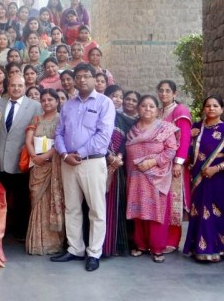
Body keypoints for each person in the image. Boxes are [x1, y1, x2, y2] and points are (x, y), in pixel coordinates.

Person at [52, 64, 115, 272]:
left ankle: (94, 252)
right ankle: (75, 248)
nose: (81, 80)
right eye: (77, 77)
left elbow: (103, 136)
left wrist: (78, 153)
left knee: (96, 209)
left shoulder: (105, 103)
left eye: (85, 76)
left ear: (94, 78)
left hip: (92, 162)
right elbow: (58, 133)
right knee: (72, 208)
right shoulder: (68, 105)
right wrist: (64, 154)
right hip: (68, 162)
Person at [183, 95, 224, 263]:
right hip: (198, 176)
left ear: (222, 109)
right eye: (208, 105)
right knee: (197, 211)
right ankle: (198, 248)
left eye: (215, 105)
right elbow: (185, 150)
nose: (211, 108)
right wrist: (189, 136)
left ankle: (217, 249)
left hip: (217, 177)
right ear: (203, 109)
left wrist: (217, 168)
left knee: (218, 211)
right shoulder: (196, 127)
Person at [126, 95, 179, 263]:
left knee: (157, 213)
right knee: (138, 211)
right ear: (138, 109)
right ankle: (141, 245)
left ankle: (157, 248)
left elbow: (171, 150)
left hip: (157, 178)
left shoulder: (166, 128)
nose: (147, 109)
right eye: (143, 106)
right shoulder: (132, 130)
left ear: (157, 110)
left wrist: (151, 162)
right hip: (136, 177)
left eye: (151, 106)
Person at [0, 74, 43, 241]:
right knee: (2, 195)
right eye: (13, 85)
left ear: (25, 87)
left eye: (19, 86)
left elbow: (38, 131)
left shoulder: (35, 106)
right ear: (8, 87)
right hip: (1, 157)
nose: (16, 88)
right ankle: (3, 228)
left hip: (22, 158)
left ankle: (21, 231)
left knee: (22, 196)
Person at [25, 89, 64, 255]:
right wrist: (35, 156)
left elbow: (61, 142)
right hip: (37, 166)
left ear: (57, 102)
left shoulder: (62, 119)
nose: (47, 102)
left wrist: (46, 157)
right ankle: (37, 243)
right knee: (37, 201)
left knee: (53, 202)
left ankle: (53, 243)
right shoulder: (36, 119)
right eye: (44, 100)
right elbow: (28, 140)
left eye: (50, 99)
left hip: (54, 166)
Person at [157, 80, 192, 253]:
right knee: (161, 202)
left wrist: (179, 162)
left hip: (174, 164)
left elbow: (185, 138)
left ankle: (172, 240)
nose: (164, 94)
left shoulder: (180, 111)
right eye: (161, 91)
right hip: (159, 164)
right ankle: (160, 238)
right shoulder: (158, 112)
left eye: (167, 91)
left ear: (174, 93)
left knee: (173, 202)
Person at [102, 85, 136, 257]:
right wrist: (109, 157)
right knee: (99, 206)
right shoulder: (98, 115)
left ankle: (115, 245)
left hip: (118, 168)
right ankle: (99, 246)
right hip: (99, 164)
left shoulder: (123, 119)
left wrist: (118, 158)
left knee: (116, 205)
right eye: (114, 95)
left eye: (120, 97)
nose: (118, 99)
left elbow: (125, 141)